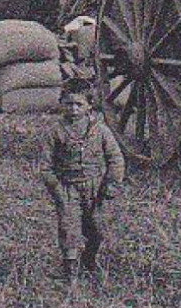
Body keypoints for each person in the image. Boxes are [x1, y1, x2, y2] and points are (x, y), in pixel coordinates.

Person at [39, 78, 126, 291]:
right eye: (68, 104)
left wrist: (111, 184)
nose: (74, 109)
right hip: (68, 188)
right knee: (69, 230)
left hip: (96, 189)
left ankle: (89, 259)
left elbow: (116, 158)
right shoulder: (55, 131)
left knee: (96, 230)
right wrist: (57, 188)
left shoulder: (101, 130)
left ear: (90, 105)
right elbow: (45, 166)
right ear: (61, 104)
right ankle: (71, 273)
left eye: (79, 104)